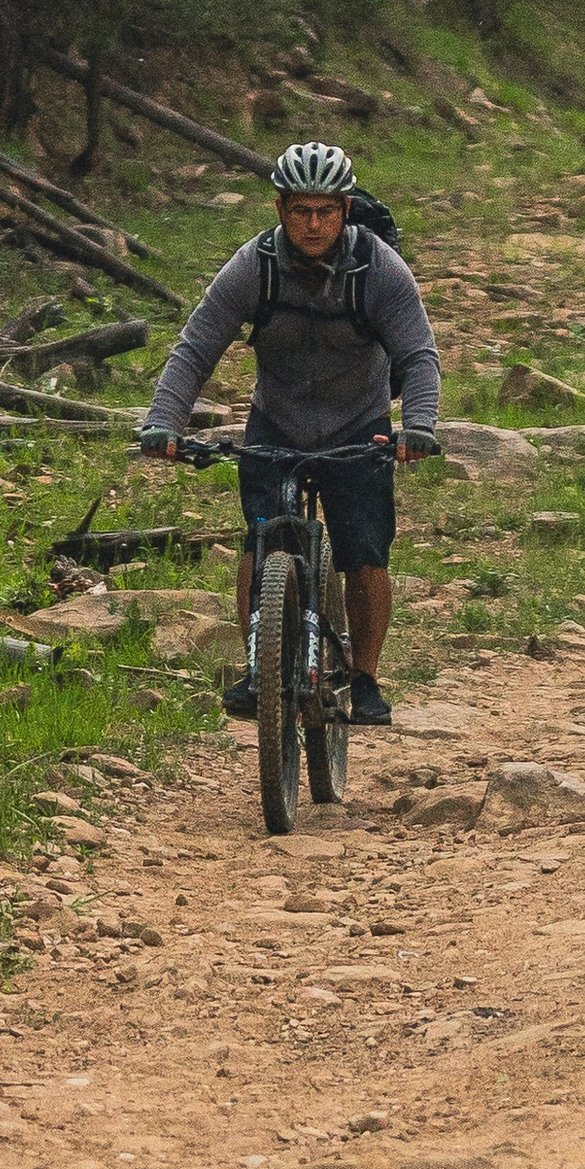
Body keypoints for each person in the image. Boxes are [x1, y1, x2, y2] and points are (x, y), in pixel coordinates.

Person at [136, 138, 439, 731]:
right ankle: (258, 665)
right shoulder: (253, 266)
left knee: (365, 553)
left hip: (361, 426)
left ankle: (367, 678)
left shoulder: (379, 269)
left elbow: (419, 355)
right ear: (279, 209)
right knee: (261, 542)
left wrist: (418, 428)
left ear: (346, 210)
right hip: (277, 423)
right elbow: (195, 350)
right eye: (300, 210)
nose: (313, 223)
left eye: (326, 210)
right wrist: (164, 424)